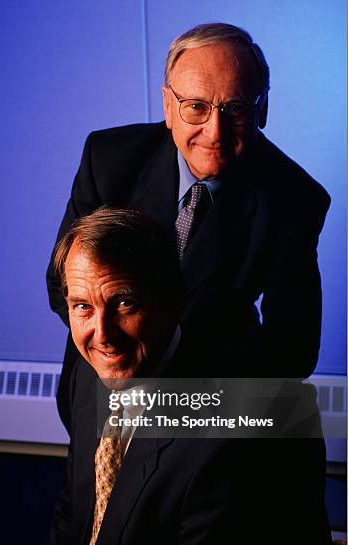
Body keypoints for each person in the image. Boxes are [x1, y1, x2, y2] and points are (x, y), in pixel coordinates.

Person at [11, 208, 335, 545]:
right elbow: (75, 528)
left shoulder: (233, 434)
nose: (102, 334)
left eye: (124, 303)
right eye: (82, 307)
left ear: (172, 300)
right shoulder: (87, 374)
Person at [46, 23, 331, 432]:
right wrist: (120, 358)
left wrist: (188, 402)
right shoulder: (108, 160)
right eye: (195, 106)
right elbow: (61, 286)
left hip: (202, 405)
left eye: (235, 108)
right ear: (167, 105)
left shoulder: (294, 200)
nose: (214, 131)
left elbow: (293, 349)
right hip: (101, 389)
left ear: (262, 109)